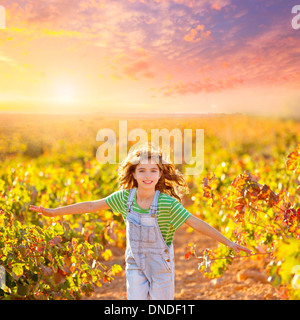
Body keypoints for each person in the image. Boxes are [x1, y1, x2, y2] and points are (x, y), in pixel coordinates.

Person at [30, 142, 251, 300]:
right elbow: (90, 206)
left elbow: (195, 222)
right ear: (133, 174)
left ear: (160, 174)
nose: (147, 175)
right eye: (141, 170)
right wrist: (53, 212)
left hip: (160, 266)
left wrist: (228, 242)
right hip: (134, 262)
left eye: (153, 170)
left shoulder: (167, 204)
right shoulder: (124, 198)